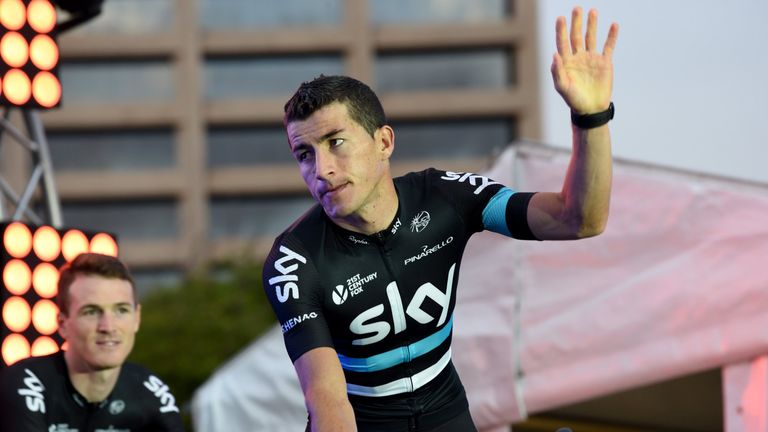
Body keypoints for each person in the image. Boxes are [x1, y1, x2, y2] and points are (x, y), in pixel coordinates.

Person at [262, 6, 618, 431]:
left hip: (446, 414)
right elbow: (327, 400)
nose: (321, 170)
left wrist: (591, 118)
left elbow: (578, 220)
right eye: (304, 154)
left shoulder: (445, 195)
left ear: (384, 141)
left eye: (335, 142)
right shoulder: (294, 260)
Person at [0, 253, 185, 432]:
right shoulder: (27, 382)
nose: (108, 326)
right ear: (63, 324)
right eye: (91, 311)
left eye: (121, 310)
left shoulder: (149, 389)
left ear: (137, 318)